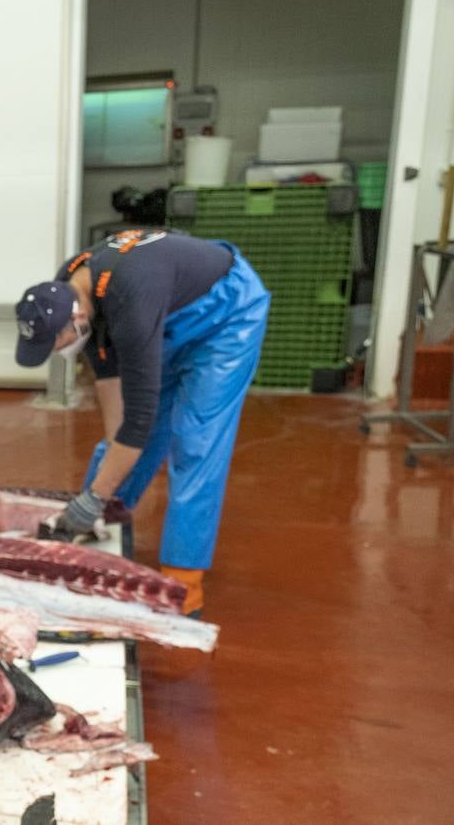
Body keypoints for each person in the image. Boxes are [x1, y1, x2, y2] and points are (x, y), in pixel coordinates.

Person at [14, 228, 269, 616]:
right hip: (166, 314)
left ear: (77, 318)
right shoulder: (71, 285)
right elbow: (120, 418)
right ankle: (105, 516)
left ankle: (184, 582)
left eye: (56, 343)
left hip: (226, 315)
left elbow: (138, 421)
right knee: (134, 434)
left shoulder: (129, 307)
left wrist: (93, 495)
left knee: (195, 441)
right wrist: (96, 497)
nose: (57, 352)